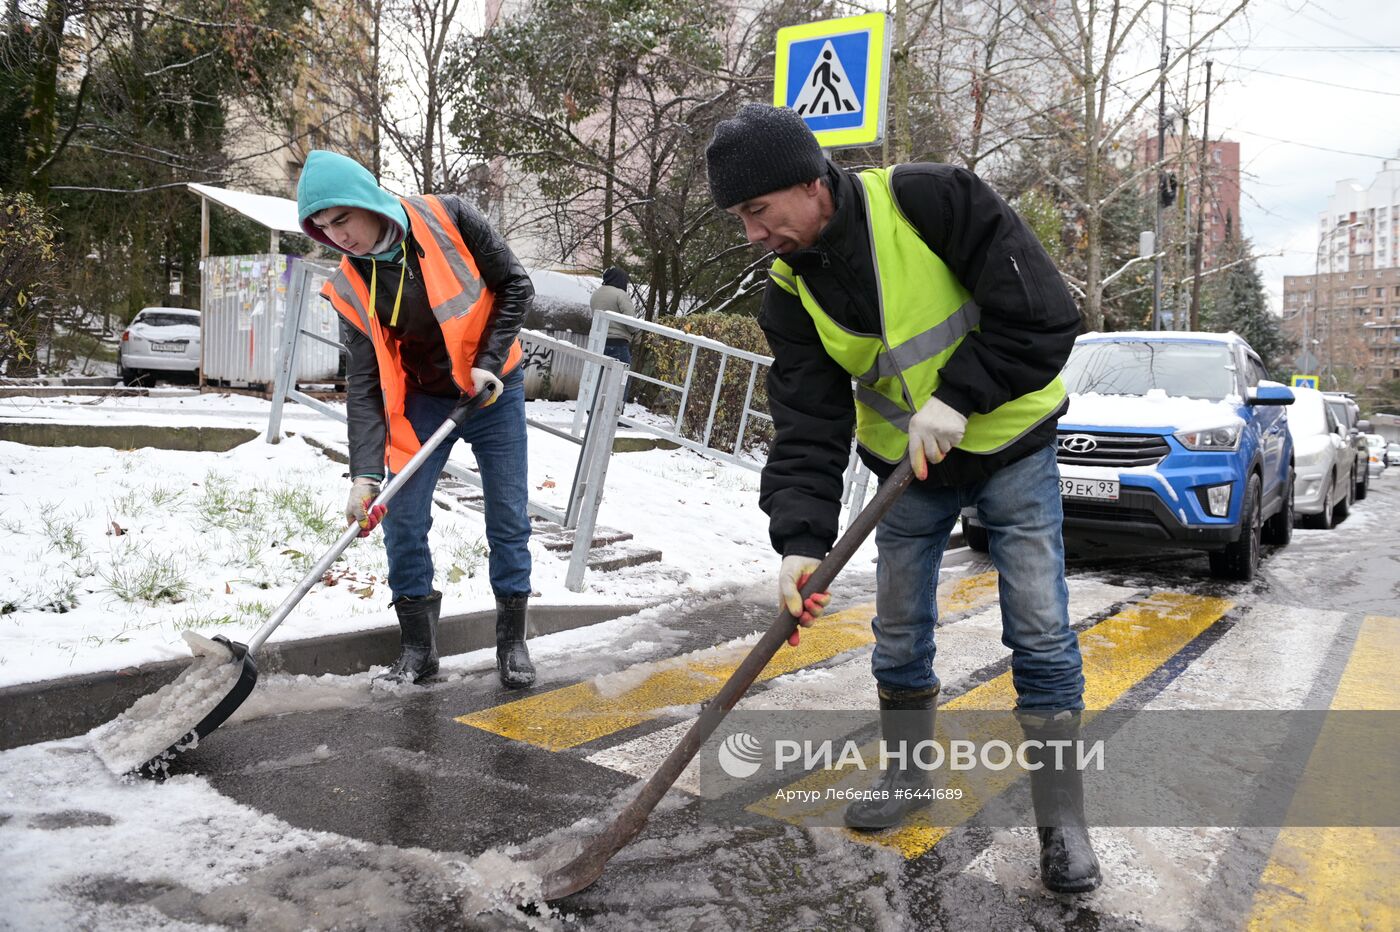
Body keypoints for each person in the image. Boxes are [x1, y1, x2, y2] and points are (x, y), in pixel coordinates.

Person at [705, 105, 1099, 894]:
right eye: (742, 217)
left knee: (1041, 628)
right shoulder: (789, 293)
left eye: (757, 210)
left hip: (1010, 441)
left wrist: (960, 395)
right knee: (898, 630)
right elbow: (807, 425)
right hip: (906, 470)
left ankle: (1063, 819)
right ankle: (908, 776)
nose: (752, 233)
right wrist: (799, 542)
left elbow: (1048, 314)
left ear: (811, 184)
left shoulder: (930, 201)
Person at [296, 149, 537, 690]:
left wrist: (490, 363)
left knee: (507, 514)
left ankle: (512, 641)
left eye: (342, 219)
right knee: (401, 518)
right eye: (323, 228)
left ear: (365, 201)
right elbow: (362, 383)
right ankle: (418, 650)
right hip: (425, 400)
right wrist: (363, 476)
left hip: (494, 388)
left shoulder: (450, 216)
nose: (338, 236)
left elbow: (516, 285)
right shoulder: (350, 285)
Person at [590, 266, 640, 366]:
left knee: (598, 376)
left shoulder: (595, 294)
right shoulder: (620, 294)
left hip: (597, 342)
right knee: (622, 378)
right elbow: (632, 325)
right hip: (617, 344)